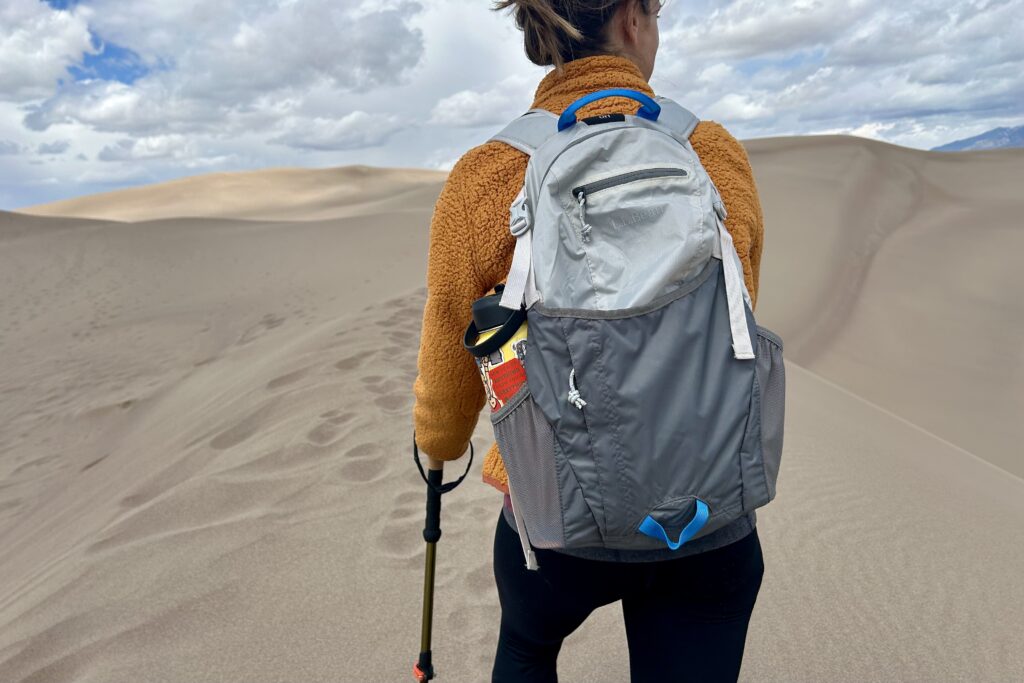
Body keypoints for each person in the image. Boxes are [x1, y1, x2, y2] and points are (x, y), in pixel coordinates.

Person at [412, 1, 766, 680]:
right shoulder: (713, 152)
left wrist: (439, 443)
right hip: (708, 511)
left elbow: (451, 357)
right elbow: (739, 315)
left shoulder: (485, 176)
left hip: (556, 517)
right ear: (632, 17)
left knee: (527, 645)